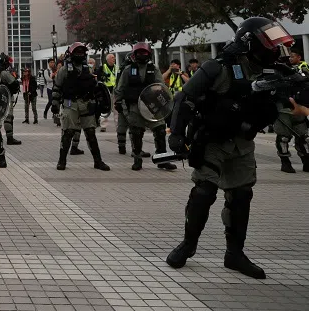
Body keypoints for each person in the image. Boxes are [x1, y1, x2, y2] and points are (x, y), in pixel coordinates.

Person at [165, 17, 290, 279]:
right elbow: (183, 98)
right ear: (250, 43)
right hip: (212, 141)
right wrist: (176, 133)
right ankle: (188, 245)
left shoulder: (274, 72)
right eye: (267, 44)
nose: (274, 50)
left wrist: (285, 91)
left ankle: (234, 254)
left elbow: (280, 107)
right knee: (204, 192)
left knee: (241, 196)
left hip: (243, 143)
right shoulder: (218, 67)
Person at [115, 43, 176, 171]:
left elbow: (160, 86)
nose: (142, 56)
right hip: (135, 107)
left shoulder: (154, 69)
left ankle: (162, 160)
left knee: (160, 131)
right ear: (134, 55)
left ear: (149, 54)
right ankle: (137, 160)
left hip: (152, 106)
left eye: (144, 53)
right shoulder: (127, 70)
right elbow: (120, 88)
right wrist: (118, 102)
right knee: (136, 133)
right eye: (139, 53)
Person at [51, 42, 111, 172]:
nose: (80, 55)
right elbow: (57, 87)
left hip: (86, 103)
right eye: (77, 52)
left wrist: (100, 99)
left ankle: (98, 161)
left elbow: (94, 85)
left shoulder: (87, 68)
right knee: (68, 133)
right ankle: (62, 161)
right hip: (70, 104)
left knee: (90, 133)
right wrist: (55, 103)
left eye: (81, 52)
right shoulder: (64, 69)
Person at [274, 46, 309, 173]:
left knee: (303, 137)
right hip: (282, 108)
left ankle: (306, 160)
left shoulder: (299, 68)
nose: (287, 56)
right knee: (283, 137)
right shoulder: (274, 68)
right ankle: (285, 162)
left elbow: (305, 80)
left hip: (299, 107)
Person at [0, 53, 22, 147]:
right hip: (7, 97)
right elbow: (14, 83)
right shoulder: (4, 73)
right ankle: (10, 138)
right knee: (8, 118)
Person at [98, 53, 118, 132]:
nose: (114, 59)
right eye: (112, 57)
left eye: (114, 57)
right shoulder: (103, 67)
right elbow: (98, 77)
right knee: (105, 108)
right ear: (108, 59)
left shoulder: (116, 68)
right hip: (106, 91)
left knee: (116, 108)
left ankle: (118, 125)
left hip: (115, 90)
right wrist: (103, 76)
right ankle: (103, 126)